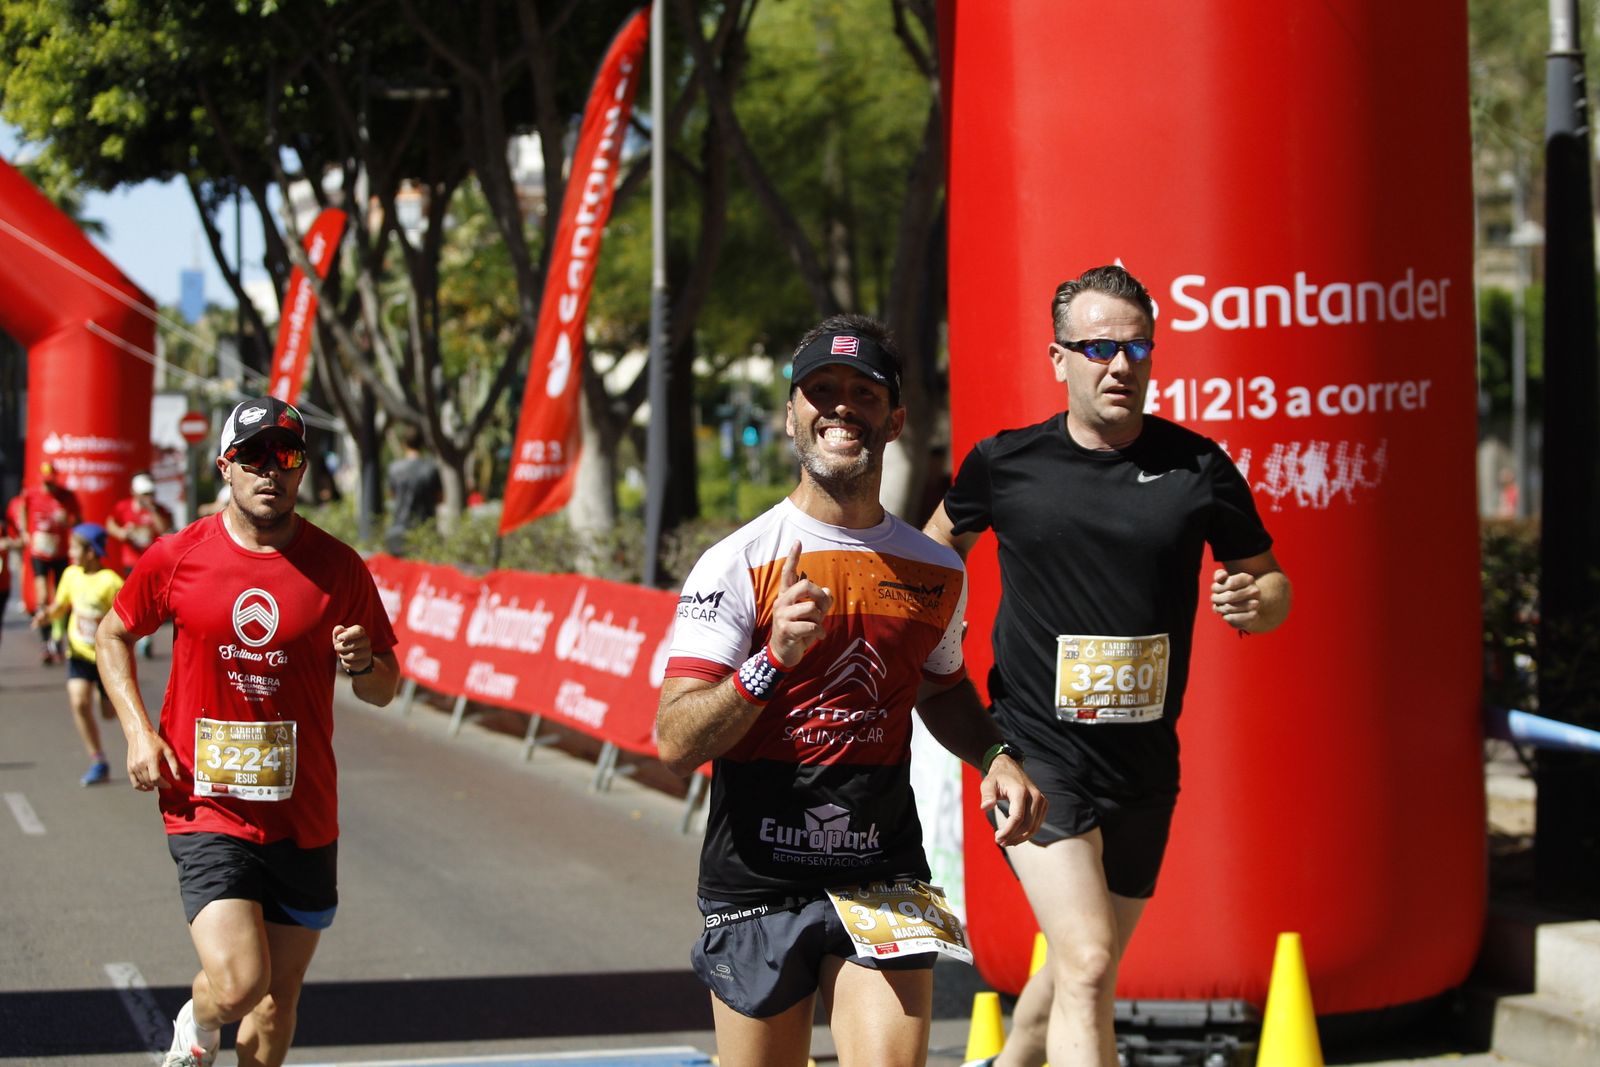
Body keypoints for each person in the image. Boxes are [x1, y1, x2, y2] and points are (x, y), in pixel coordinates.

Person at [656, 314, 1047, 1067]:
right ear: (791, 414)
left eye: (864, 392)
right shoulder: (737, 562)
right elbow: (675, 741)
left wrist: (996, 753)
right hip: (759, 875)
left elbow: (941, 689)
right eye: (821, 390)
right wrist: (771, 660)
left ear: (895, 420)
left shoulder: (935, 569)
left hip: (880, 870)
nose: (842, 406)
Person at [925, 265, 1292, 1067]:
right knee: (1090, 962)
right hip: (1035, 755)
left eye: (1136, 348)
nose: (1120, 364)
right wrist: (929, 634)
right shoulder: (1006, 463)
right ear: (1058, 358)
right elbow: (935, 546)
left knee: (1078, 965)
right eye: (1098, 348)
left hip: (1144, 765)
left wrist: (1254, 602)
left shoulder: (1197, 466)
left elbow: (1272, 584)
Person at [96, 396, 401, 1067]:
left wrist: (363, 664)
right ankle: (199, 1016)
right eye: (254, 455)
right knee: (240, 984)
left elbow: (385, 687)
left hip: (303, 813)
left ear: (302, 469)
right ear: (226, 467)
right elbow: (111, 633)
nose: (271, 469)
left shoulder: (338, 567)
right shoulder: (180, 556)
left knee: (276, 1000)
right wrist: (138, 732)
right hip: (207, 803)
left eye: (285, 455)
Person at [32, 523, 123, 785]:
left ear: (91, 552)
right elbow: (61, 605)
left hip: (107, 659)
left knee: (108, 713)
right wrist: (46, 616)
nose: (70, 552)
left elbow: (125, 618)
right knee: (79, 702)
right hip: (79, 653)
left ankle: (106, 698)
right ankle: (98, 760)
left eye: (75, 547)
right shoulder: (71, 575)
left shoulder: (111, 582)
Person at [17, 461, 82, 664]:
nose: (49, 487)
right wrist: (25, 531)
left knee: (62, 598)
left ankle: (58, 636)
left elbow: (78, 520)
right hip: (40, 552)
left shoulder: (67, 496)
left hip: (60, 553)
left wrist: (66, 521)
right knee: (43, 595)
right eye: (46, 483)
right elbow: (22, 508)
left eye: (52, 483)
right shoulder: (32, 494)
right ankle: (46, 641)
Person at [106, 471, 174, 658]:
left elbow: (164, 528)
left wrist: (152, 511)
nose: (148, 497)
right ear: (134, 493)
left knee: (150, 602)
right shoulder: (123, 508)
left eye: (150, 493)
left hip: (152, 563)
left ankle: (145, 637)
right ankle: (129, 634)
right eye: (144, 494)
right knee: (131, 600)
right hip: (130, 562)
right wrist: (121, 533)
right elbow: (110, 523)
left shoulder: (159, 510)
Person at [384, 425, 441, 555]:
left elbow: (392, 495)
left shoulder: (394, 468)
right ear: (423, 444)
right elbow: (440, 497)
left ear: (404, 443)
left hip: (399, 529)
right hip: (426, 531)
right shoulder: (431, 468)